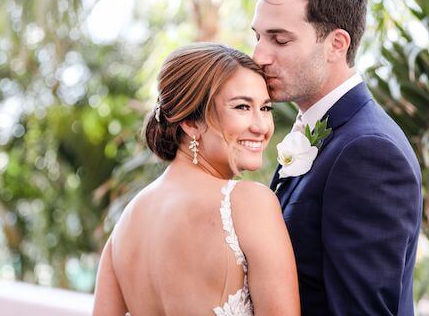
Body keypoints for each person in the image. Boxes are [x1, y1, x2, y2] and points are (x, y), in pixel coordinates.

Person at [251, 0, 423, 315]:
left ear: (336, 44)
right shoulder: (325, 134)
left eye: (279, 40)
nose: (259, 56)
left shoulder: (370, 152)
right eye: (258, 37)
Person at [92, 43, 300, 316]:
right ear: (190, 122)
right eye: (241, 107)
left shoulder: (125, 227)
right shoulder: (249, 204)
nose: (261, 127)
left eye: (265, 108)